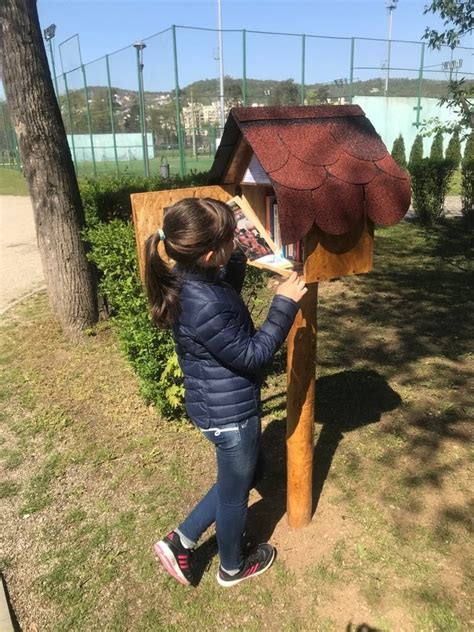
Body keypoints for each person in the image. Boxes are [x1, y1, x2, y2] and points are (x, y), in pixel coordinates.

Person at [144, 197, 307, 588]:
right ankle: (232, 567)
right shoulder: (204, 303)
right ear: (211, 254)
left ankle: (180, 539)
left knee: (251, 472)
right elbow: (253, 355)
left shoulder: (190, 279)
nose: (240, 240)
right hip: (231, 417)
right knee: (235, 495)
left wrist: (241, 259)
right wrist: (283, 304)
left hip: (215, 406)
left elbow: (222, 296)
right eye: (234, 238)